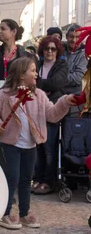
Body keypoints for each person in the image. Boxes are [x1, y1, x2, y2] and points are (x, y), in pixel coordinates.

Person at [0, 57, 76, 230]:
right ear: (21, 74)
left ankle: (24, 213)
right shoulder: (4, 95)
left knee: (26, 180)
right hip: (9, 144)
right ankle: (4, 214)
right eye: (33, 70)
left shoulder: (39, 96)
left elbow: (52, 114)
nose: (36, 73)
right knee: (12, 178)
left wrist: (65, 101)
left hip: (30, 146)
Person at [32, 35, 68, 194]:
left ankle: (49, 181)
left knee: (49, 148)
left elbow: (57, 83)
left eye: (53, 49)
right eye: (47, 48)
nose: (50, 52)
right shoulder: (37, 64)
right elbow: (29, 82)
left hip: (52, 109)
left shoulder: (62, 65)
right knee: (37, 147)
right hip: (36, 109)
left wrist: (39, 83)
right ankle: (38, 179)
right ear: (42, 50)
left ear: (57, 51)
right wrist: (43, 85)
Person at [63, 23, 87, 116]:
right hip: (58, 100)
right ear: (66, 37)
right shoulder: (59, 50)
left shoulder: (85, 54)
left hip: (75, 102)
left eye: (78, 37)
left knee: (71, 129)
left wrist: (58, 80)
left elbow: (78, 77)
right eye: (71, 37)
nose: (74, 40)